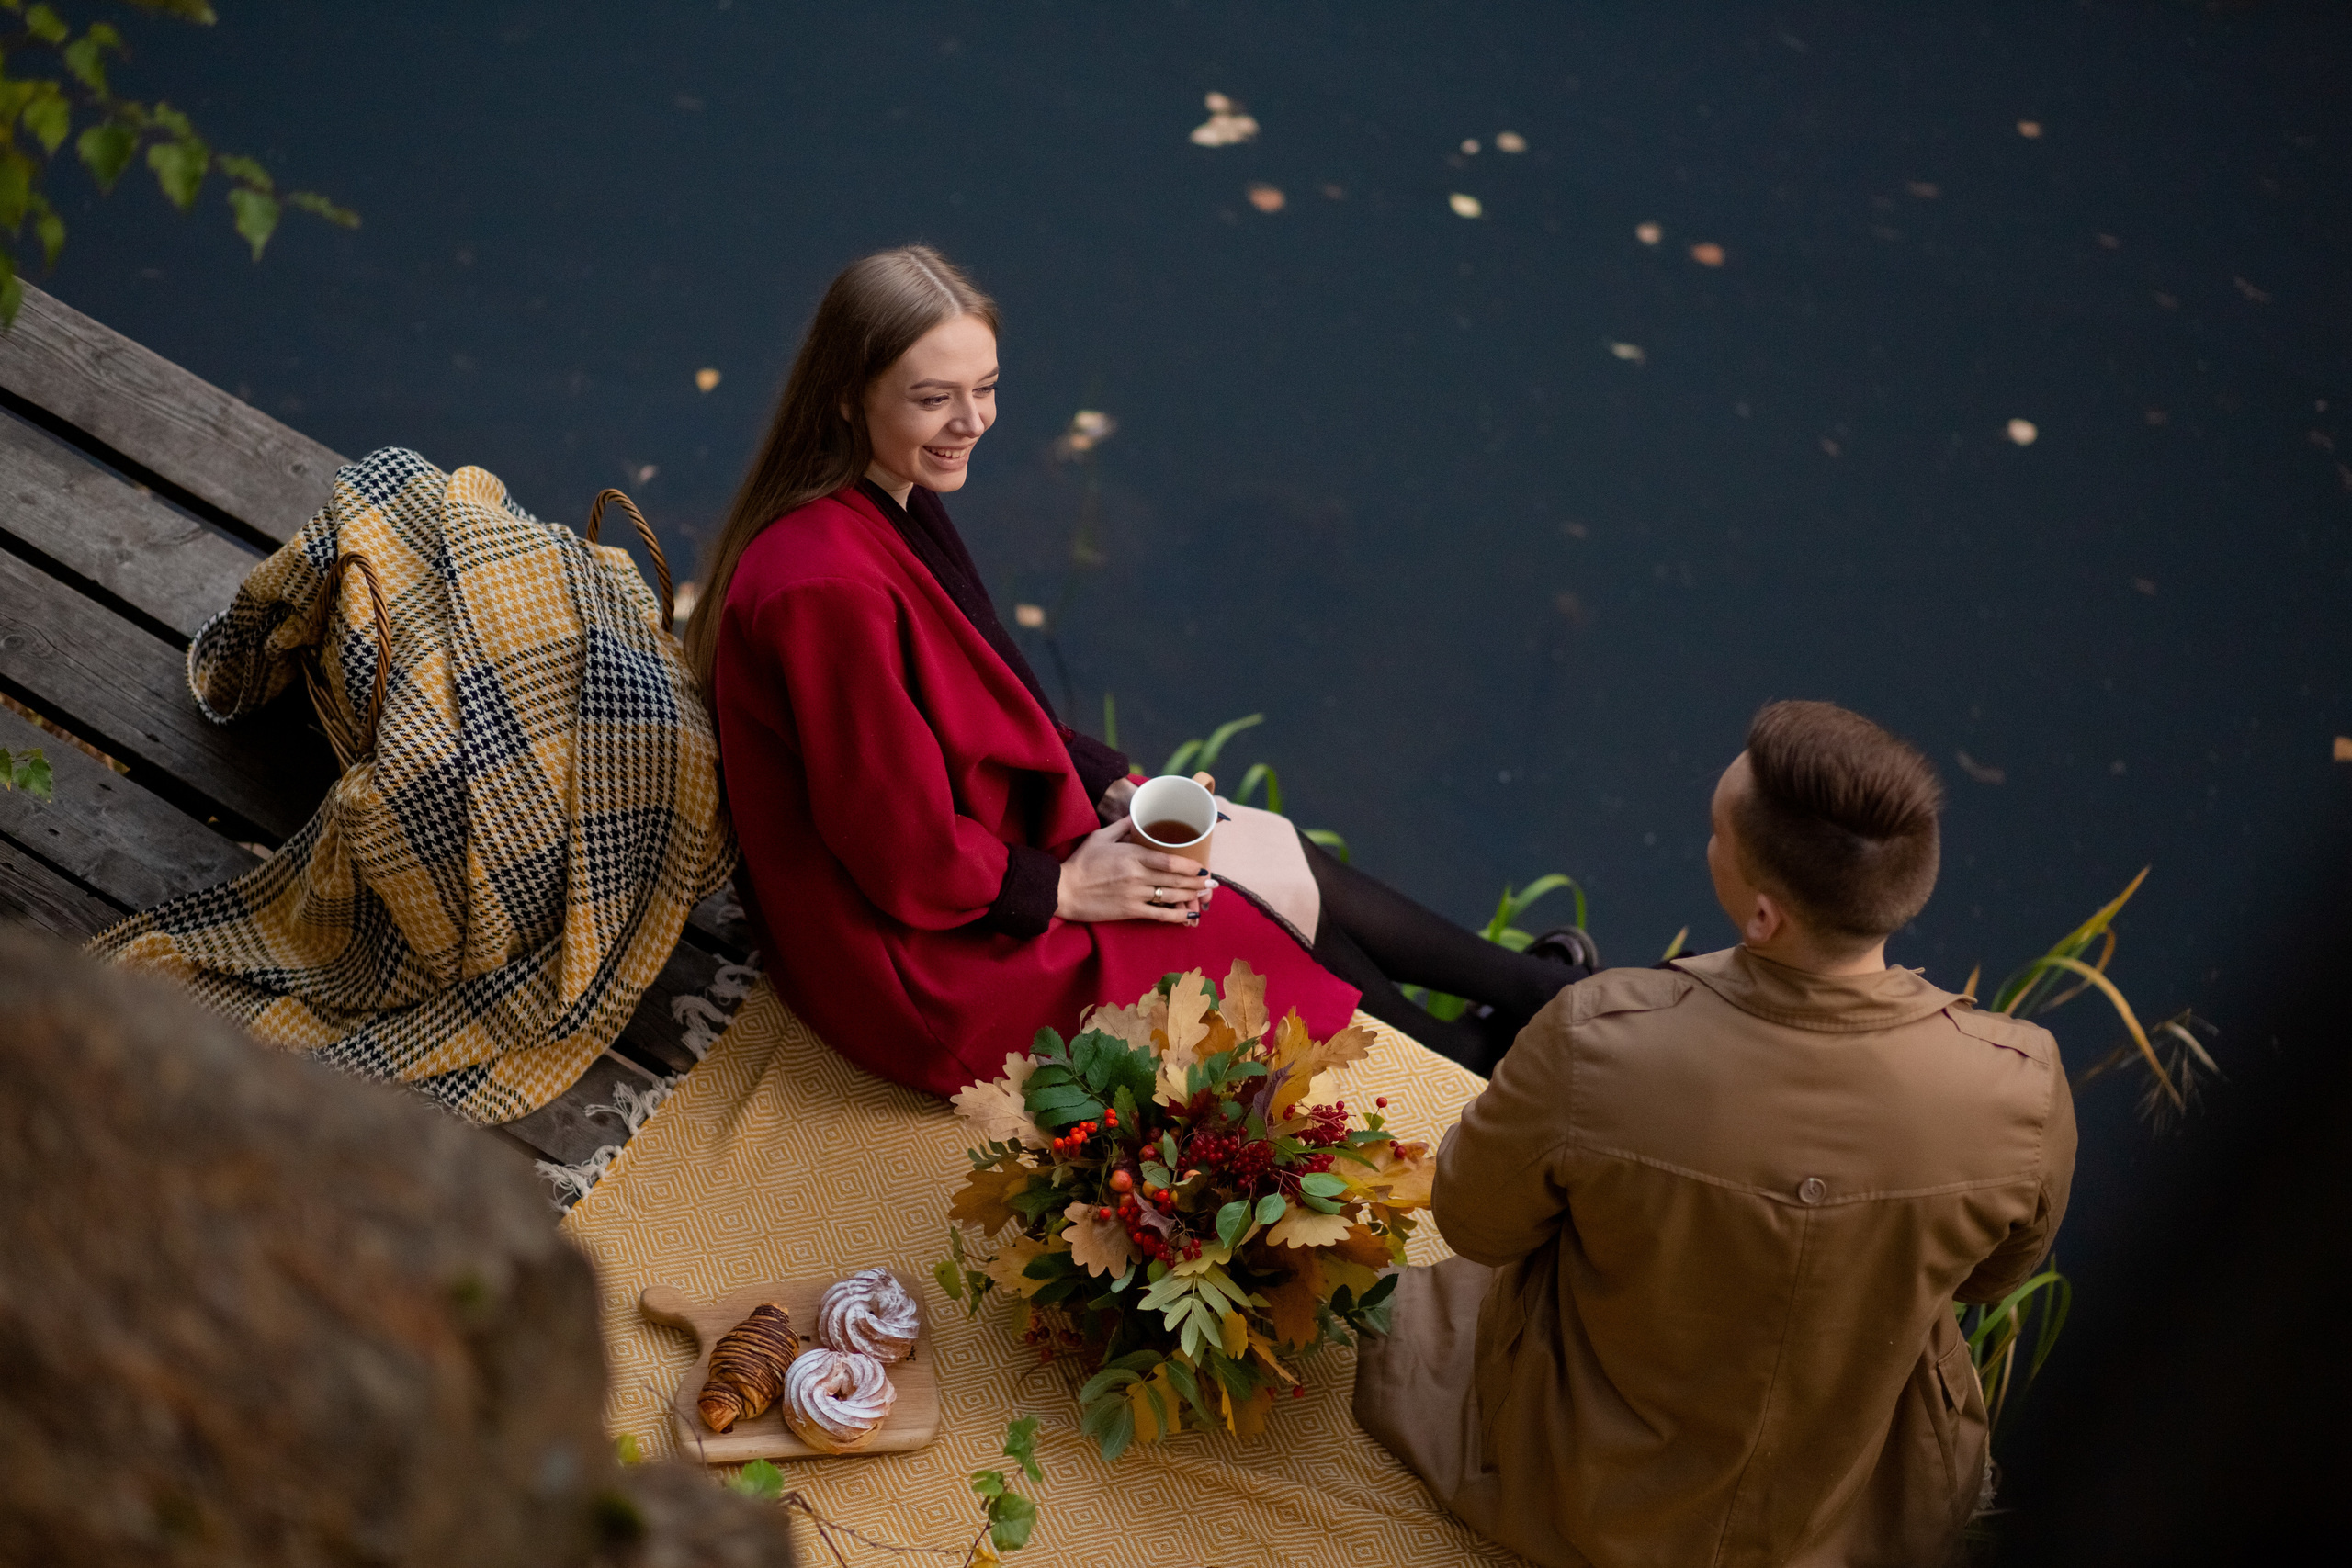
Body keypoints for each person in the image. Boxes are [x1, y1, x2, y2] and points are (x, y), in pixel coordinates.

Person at [686, 244, 1588, 1096]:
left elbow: (971, 709)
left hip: (957, 868)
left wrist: (1112, 784)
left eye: (986, 389)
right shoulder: (825, 588)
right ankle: (1460, 1058)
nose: (971, 424)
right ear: (847, 396)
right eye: (933, 400)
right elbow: (897, 848)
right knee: (1222, 905)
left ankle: (1513, 1000)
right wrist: (1063, 888)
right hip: (912, 967)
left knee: (1257, 840)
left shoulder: (887, 499)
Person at [1354, 700, 2079, 1568]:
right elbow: (1994, 1280)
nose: (1707, 847)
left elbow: (1476, 1221)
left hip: (1578, 1492)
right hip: (1852, 1516)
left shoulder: (1602, 1036)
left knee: (1408, 1289)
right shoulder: (2020, 1082)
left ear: (1765, 916)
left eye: (1713, 834)